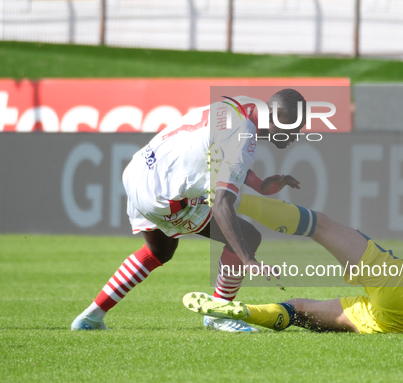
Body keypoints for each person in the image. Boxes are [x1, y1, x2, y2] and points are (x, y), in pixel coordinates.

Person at [71, 89, 307, 332]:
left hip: (139, 171)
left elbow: (218, 153)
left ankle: (91, 318)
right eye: (293, 128)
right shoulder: (242, 137)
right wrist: (248, 260)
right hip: (163, 194)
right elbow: (220, 204)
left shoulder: (245, 108)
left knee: (160, 250)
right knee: (247, 236)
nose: (296, 135)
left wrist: (259, 184)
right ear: (276, 117)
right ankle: (218, 314)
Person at [184, 195, 403, 336]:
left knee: (320, 225)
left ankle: (234, 199)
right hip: (401, 325)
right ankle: (242, 312)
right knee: (298, 310)